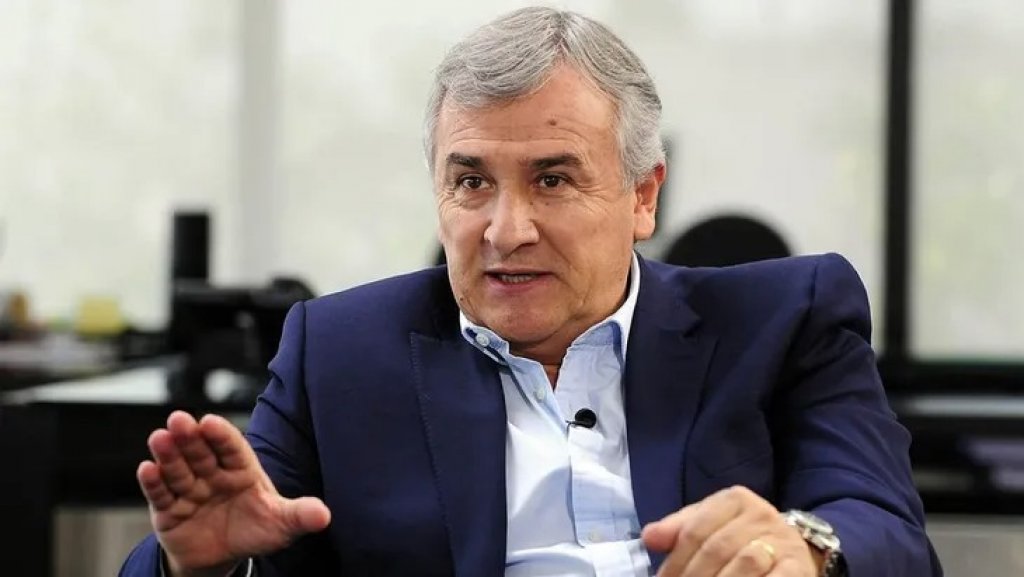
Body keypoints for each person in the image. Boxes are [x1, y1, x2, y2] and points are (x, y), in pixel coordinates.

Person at [121, 7, 941, 577]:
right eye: (471, 181)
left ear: (643, 195)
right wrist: (200, 565)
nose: (506, 229)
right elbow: (223, 533)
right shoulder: (338, 351)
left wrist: (805, 548)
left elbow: (889, 534)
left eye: (552, 179)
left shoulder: (785, 318)